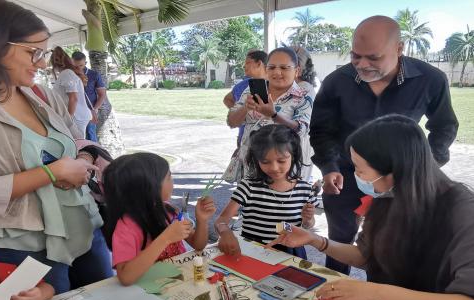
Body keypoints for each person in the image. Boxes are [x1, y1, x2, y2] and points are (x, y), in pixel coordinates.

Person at [271, 115, 474, 300]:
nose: (356, 177)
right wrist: (316, 241)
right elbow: (367, 256)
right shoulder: (386, 200)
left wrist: (375, 292)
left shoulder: (465, 211)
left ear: (394, 170)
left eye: (361, 170)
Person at [0, 0, 112, 294]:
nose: (42, 63)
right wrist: (54, 172)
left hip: (81, 226)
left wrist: (80, 158)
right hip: (22, 245)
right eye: (33, 52)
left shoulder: (39, 93)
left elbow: (75, 140)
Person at [310, 16, 459, 275]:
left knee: (389, 245)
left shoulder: (430, 80)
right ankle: (333, 295)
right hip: (345, 175)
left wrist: (424, 168)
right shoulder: (336, 81)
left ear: (399, 49)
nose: (362, 65)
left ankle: (381, 299)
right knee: (339, 240)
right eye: (356, 56)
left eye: (373, 58)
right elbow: (322, 130)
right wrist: (328, 167)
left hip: (399, 179)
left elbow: (444, 126)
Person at [102, 152, 216, 286]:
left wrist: (202, 220)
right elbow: (126, 278)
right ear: (149, 188)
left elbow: (198, 245)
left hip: (178, 282)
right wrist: (166, 237)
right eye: (169, 177)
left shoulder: (167, 211)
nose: (172, 181)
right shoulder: (126, 227)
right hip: (149, 292)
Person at [215, 124, 316, 258]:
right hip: (252, 250)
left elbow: (308, 225)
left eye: (281, 161)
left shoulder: (305, 190)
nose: (274, 168)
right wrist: (225, 233)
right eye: (265, 162)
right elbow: (221, 221)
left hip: (290, 253)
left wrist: (308, 219)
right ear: (257, 160)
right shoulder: (249, 186)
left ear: (293, 155)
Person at [226, 47, 315, 183]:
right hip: (251, 166)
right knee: (251, 203)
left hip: (283, 171)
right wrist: (245, 108)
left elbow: (301, 129)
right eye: (272, 67)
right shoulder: (252, 89)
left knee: (280, 203)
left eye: (284, 68)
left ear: (296, 70)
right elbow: (231, 122)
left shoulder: (303, 93)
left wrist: (273, 115)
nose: (277, 72)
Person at [223, 50, 267, 148]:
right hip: (245, 139)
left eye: (247, 63)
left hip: (267, 142)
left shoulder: (276, 86)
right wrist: (241, 112)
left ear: (259, 63)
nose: (244, 66)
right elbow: (227, 99)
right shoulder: (243, 85)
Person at [51, 46, 92, 137]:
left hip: (76, 116)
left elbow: (73, 98)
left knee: (77, 145)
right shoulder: (68, 73)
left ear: (55, 65)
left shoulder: (67, 73)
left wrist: (68, 119)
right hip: (76, 115)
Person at [72, 51, 109, 142]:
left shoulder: (94, 75)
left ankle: (95, 154)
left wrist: (95, 109)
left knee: (91, 135)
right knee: (77, 137)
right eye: (75, 66)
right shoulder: (69, 74)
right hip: (74, 112)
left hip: (89, 111)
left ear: (85, 63)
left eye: (80, 65)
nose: (78, 69)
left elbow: (102, 94)